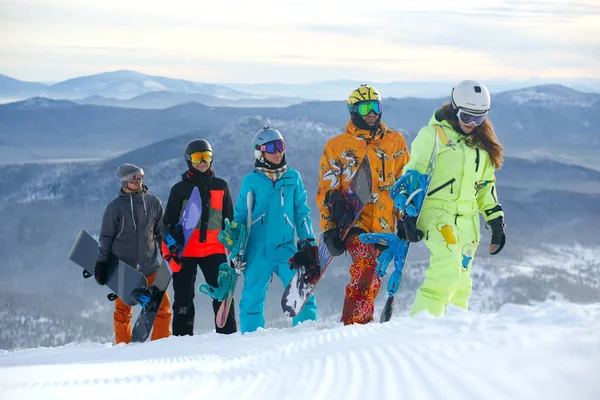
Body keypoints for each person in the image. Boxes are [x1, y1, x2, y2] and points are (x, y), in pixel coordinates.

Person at [400, 79, 506, 317]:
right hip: (437, 213)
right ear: (456, 109)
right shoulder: (433, 136)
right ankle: (422, 327)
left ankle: (454, 336)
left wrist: (495, 221)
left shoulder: (482, 145)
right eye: (467, 117)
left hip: (468, 221)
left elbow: (486, 186)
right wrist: (406, 213)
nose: (473, 124)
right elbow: (412, 174)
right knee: (446, 270)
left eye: (479, 118)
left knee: (461, 282)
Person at [315, 84, 410, 325]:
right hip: (354, 222)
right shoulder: (338, 146)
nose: (372, 113)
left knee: (373, 274)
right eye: (366, 107)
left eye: (376, 107)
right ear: (353, 111)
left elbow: (405, 183)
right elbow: (326, 188)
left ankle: (363, 324)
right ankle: (352, 325)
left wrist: (407, 218)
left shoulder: (395, 142)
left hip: (385, 222)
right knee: (365, 263)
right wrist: (329, 229)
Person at [231, 127, 318, 333]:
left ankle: (308, 336)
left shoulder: (292, 178)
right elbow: (240, 218)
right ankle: (252, 344)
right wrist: (235, 251)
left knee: (303, 290)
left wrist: (308, 243)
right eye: (271, 147)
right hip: (256, 251)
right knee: (251, 300)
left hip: (285, 249)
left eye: (281, 146)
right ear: (260, 152)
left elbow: (301, 212)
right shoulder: (251, 181)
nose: (278, 152)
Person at [161, 139, 237, 335]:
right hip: (186, 251)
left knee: (223, 293)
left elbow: (230, 219)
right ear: (189, 161)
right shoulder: (179, 189)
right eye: (197, 158)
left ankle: (228, 335)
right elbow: (166, 222)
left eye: (207, 157)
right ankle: (182, 340)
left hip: (215, 250)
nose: (203, 162)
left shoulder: (221, 186)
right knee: (184, 297)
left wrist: (234, 244)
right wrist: (171, 240)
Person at [95, 163, 172, 344]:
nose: (137, 181)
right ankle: (124, 347)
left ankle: (161, 345)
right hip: (124, 270)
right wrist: (102, 263)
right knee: (123, 312)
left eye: (139, 177)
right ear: (124, 182)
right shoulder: (115, 208)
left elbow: (160, 233)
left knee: (162, 308)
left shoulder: (153, 203)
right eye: (132, 178)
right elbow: (105, 238)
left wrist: (167, 256)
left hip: (150, 266)